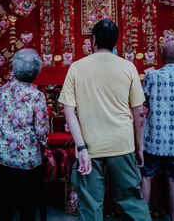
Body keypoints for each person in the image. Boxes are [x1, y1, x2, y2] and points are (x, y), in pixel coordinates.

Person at [58, 19, 151, 221]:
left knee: (90, 206)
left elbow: (69, 113)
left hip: (90, 147)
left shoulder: (76, 67)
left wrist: (81, 148)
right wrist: (140, 146)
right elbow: (139, 114)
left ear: (93, 41)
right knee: (132, 201)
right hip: (122, 144)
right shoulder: (128, 68)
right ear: (115, 43)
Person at [141, 40, 174, 221]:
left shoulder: (152, 77)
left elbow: (143, 102)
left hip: (154, 139)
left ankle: (143, 218)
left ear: (160, 55)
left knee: (147, 177)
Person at [0, 48, 49, 221]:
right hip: (27, 157)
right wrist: (44, 146)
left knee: (4, 194)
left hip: (3, 153)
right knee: (27, 198)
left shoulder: (3, 90)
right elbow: (41, 129)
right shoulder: (36, 95)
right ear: (35, 72)